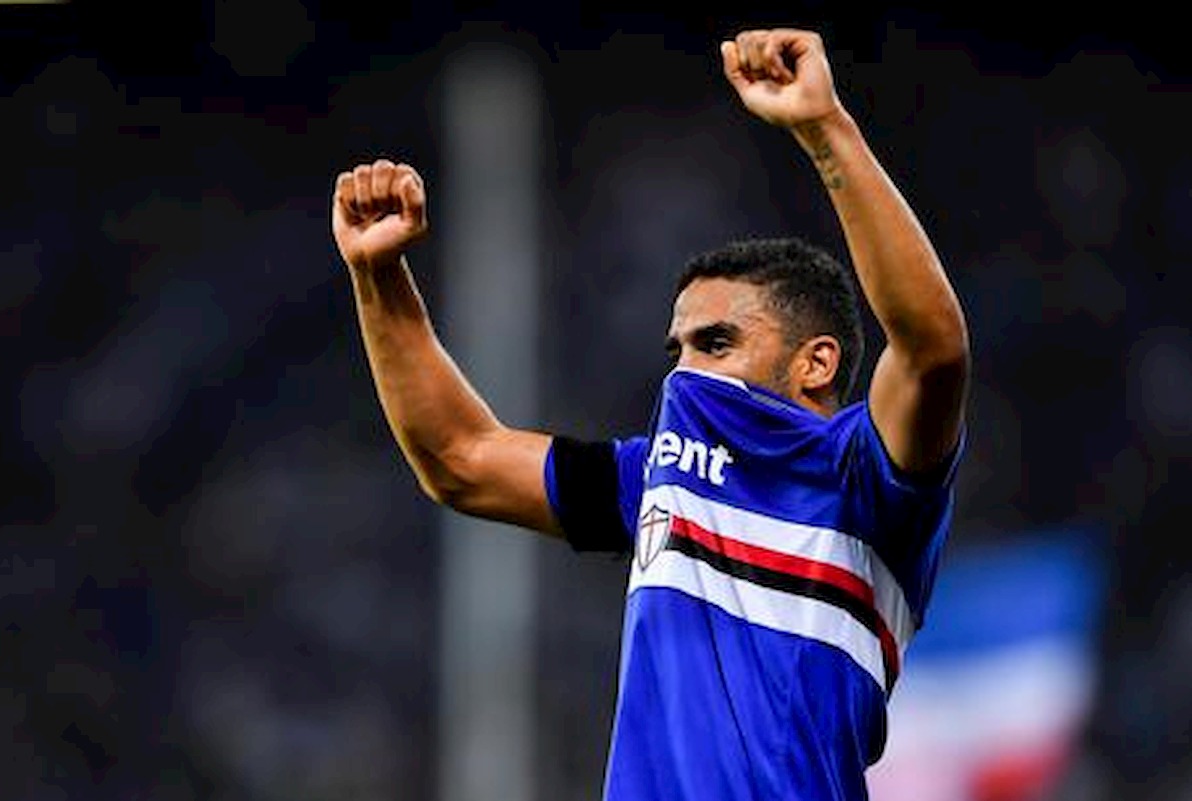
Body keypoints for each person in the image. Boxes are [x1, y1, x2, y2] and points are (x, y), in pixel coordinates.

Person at [331, 27, 969, 801]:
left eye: (717, 342)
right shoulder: (660, 478)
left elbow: (933, 347)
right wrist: (379, 274)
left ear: (817, 362)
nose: (685, 373)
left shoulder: (863, 477)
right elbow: (460, 457)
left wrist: (824, 128)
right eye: (679, 349)